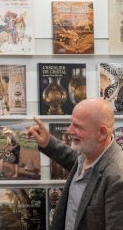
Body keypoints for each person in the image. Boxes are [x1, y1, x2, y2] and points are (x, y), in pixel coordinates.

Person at [28, 98, 123, 230]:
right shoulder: (89, 154)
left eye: (77, 126)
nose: (69, 131)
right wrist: (47, 142)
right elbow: (71, 158)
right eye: (71, 124)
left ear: (102, 133)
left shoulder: (117, 178)